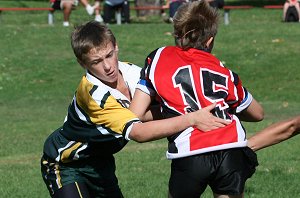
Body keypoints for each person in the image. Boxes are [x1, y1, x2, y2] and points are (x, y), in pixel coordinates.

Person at [41, 21, 230, 197]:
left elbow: (166, 104)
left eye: (109, 55)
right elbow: (138, 132)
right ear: (83, 64)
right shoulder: (93, 95)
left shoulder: (133, 73)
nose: (107, 67)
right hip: (66, 164)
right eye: (96, 62)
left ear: (116, 47)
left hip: (102, 163)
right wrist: (192, 118)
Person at [130, 1, 264, 197]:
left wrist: (175, 110)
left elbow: (135, 114)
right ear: (209, 41)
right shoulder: (222, 69)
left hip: (190, 152)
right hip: (231, 147)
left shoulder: (158, 57)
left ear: (176, 33)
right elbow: (258, 114)